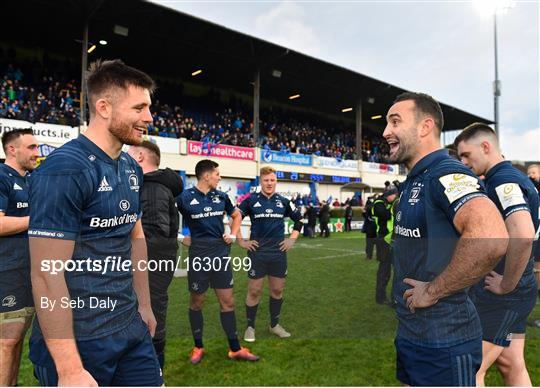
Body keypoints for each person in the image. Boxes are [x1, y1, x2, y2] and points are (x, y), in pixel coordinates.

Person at [28, 60, 162, 386]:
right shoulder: (66, 168)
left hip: (129, 326)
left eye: (149, 107)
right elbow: (46, 273)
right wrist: (70, 368)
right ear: (103, 107)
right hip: (81, 339)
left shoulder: (130, 168)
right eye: (139, 107)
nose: (149, 117)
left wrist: (144, 306)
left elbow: (136, 237)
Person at [383, 92, 508, 386]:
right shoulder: (416, 179)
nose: (385, 131)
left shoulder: (445, 173)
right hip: (413, 335)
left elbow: (490, 237)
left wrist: (434, 290)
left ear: (425, 127)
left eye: (395, 121)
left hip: (444, 341)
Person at [455, 123, 539, 386]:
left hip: (505, 292)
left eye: (466, 155)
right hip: (516, 287)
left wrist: (506, 284)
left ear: (486, 147)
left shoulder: (504, 179)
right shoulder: (506, 177)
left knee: (470, 370)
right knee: (511, 364)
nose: (463, 162)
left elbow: (523, 234)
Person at [176, 159, 259, 364]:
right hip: (198, 257)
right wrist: (179, 237)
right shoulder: (185, 197)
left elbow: (236, 215)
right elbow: (167, 218)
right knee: (197, 303)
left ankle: (235, 349)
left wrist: (232, 234)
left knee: (228, 302)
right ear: (206, 175)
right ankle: (198, 346)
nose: (219, 177)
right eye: (217, 174)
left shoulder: (221, 196)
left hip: (220, 257)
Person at [128, 140, 183, 371]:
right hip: (151, 266)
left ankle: (153, 372)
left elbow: (153, 235)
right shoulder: (152, 185)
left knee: (150, 316)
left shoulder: (152, 188)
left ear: (140, 157)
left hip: (151, 268)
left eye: (129, 153)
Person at [237, 166, 303, 342]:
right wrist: (241, 241)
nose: (269, 183)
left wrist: (292, 239)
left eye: (272, 180)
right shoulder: (251, 200)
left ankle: (274, 325)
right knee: (254, 291)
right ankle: (250, 327)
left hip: (278, 254)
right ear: (261, 181)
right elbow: (235, 217)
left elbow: (300, 219)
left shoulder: (284, 201)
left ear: (276, 181)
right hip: (257, 253)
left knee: (277, 289)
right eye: (266, 180)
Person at [0, 128, 38, 386]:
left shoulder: (30, 179)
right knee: (7, 340)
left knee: (18, 339)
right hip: (8, 271)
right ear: (12, 150)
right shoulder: (2, 177)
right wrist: (35, 220)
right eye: (32, 147)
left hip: (29, 271)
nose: (38, 153)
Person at [371, 185, 398, 304]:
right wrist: (394, 206)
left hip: (391, 239)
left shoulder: (388, 203)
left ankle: (393, 298)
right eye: (394, 195)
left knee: (395, 270)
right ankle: (380, 296)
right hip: (383, 240)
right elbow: (386, 215)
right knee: (384, 270)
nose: (396, 197)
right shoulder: (378, 203)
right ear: (389, 195)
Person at [362, 196, 377, 260]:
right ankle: (380, 255)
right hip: (377, 228)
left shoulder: (368, 207)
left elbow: (364, 215)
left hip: (369, 228)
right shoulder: (379, 206)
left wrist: (364, 212)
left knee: (369, 243)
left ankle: (368, 256)